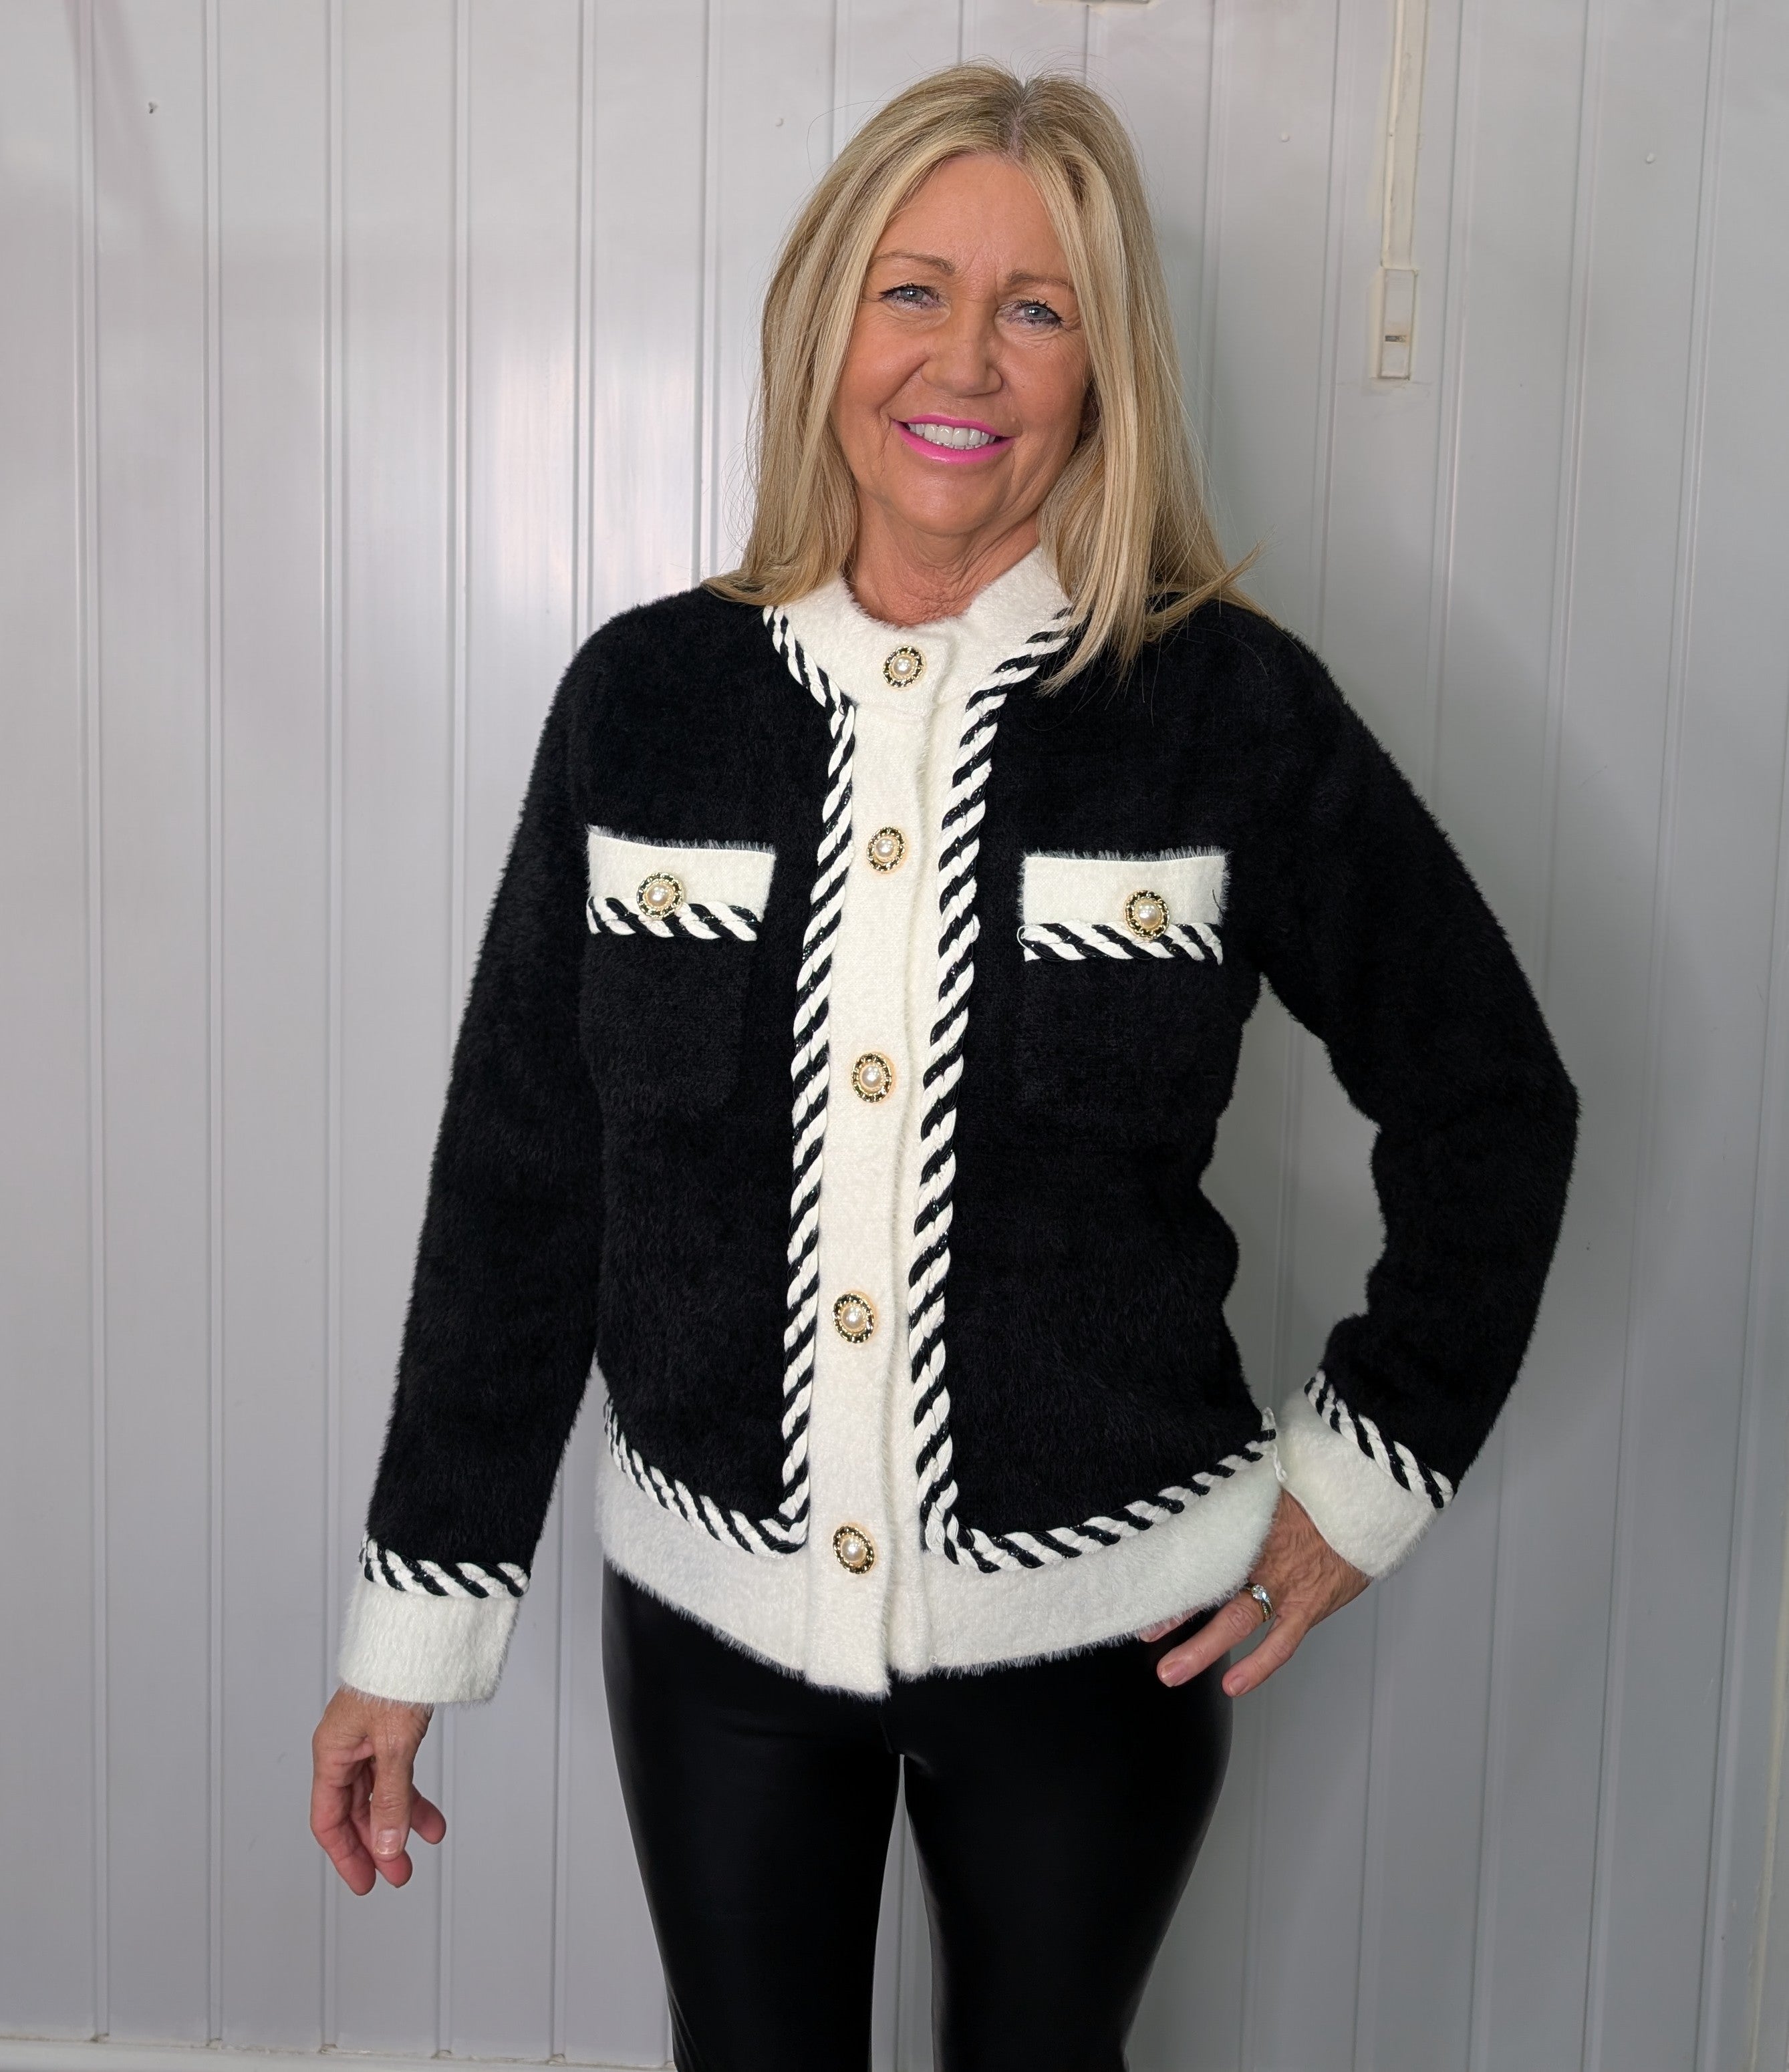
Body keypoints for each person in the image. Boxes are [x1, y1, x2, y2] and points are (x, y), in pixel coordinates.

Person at [309, 62, 1577, 2071]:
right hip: (714, 1631)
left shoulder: (1223, 711)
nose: (964, 359)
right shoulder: (647, 701)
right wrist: (412, 1629)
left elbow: (1493, 1100)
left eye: (1037, 307)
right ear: (827, 324)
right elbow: (523, 1181)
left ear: (1103, 370)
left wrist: (1361, 1483)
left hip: (1106, 1638)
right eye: (913, 290)